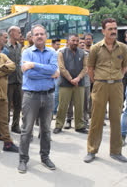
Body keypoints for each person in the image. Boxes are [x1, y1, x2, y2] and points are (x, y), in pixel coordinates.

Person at [84, 18, 127, 163]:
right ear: (103, 31)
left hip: (117, 86)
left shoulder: (123, 48)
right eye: (110, 29)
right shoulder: (95, 48)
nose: (114, 31)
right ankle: (91, 150)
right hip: (100, 85)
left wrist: (119, 76)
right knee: (96, 119)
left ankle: (116, 151)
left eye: (115, 28)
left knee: (116, 118)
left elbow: (124, 66)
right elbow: (90, 68)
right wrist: (96, 81)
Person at [18, 24, 58, 173]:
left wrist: (34, 65)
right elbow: (29, 75)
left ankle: (45, 157)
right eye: (37, 34)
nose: (40, 36)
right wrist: (49, 72)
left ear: (46, 36)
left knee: (46, 130)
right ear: (32, 37)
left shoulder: (52, 52)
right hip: (31, 96)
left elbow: (53, 69)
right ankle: (23, 159)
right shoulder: (27, 53)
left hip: (48, 96)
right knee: (26, 130)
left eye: (42, 34)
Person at [53, 34, 88, 134]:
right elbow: (61, 67)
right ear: (68, 41)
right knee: (63, 105)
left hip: (79, 83)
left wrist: (78, 78)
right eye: (73, 40)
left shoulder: (83, 53)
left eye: (77, 41)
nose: (75, 43)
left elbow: (85, 68)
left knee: (79, 105)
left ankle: (79, 126)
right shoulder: (61, 52)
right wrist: (70, 79)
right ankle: (59, 125)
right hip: (65, 83)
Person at [6, 26, 22, 134]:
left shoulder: (19, 46)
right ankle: (4, 127)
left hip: (18, 79)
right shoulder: (5, 47)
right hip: (8, 80)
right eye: (18, 32)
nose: (20, 34)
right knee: (6, 105)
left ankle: (15, 125)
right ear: (11, 33)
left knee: (18, 104)